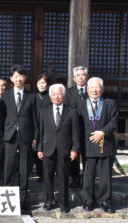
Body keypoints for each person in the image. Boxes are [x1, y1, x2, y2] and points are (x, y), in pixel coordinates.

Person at [0, 64, 38, 210]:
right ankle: (5, 198)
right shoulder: (5, 96)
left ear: (25, 78)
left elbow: (35, 118)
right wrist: (2, 135)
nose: (19, 79)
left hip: (26, 135)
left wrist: (35, 136)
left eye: (21, 76)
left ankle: (22, 199)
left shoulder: (31, 96)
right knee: (8, 166)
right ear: (11, 78)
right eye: (16, 76)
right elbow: (1, 117)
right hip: (10, 135)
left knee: (24, 168)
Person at [37, 84, 80, 213]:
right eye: (54, 94)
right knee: (47, 176)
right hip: (47, 148)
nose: (56, 96)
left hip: (64, 149)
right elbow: (40, 131)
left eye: (59, 94)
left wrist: (75, 149)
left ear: (64, 96)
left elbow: (75, 133)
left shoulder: (72, 111)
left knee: (63, 176)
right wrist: (39, 148)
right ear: (50, 97)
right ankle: (48, 201)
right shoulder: (44, 111)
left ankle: (63, 202)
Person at [79, 77, 118, 214]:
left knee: (105, 176)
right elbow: (77, 125)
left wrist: (103, 132)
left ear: (102, 89)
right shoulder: (82, 104)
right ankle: (88, 201)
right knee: (88, 176)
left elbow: (114, 122)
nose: (94, 90)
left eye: (97, 87)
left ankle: (105, 201)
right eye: (91, 87)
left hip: (105, 144)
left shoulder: (109, 103)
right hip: (88, 144)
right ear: (87, 89)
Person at [65, 66, 89, 188]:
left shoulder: (92, 90)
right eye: (78, 75)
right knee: (73, 154)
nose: (80, 77)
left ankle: (86, 178)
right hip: (72, 129)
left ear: (86, 77)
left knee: (87, 154)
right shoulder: (68, 92)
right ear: (74, 78)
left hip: (88, 129)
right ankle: (74, 178)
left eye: (83, 75)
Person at [34, 74, 52, 182]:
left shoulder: (51, 96)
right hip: (37, 126)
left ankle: (48, 173)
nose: (41, 85)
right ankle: (40, 174)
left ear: (47, 84)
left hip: (49, 127)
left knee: (48, 151)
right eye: (39, 83)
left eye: (43, 83)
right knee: (38, 151)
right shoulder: (34, 97)